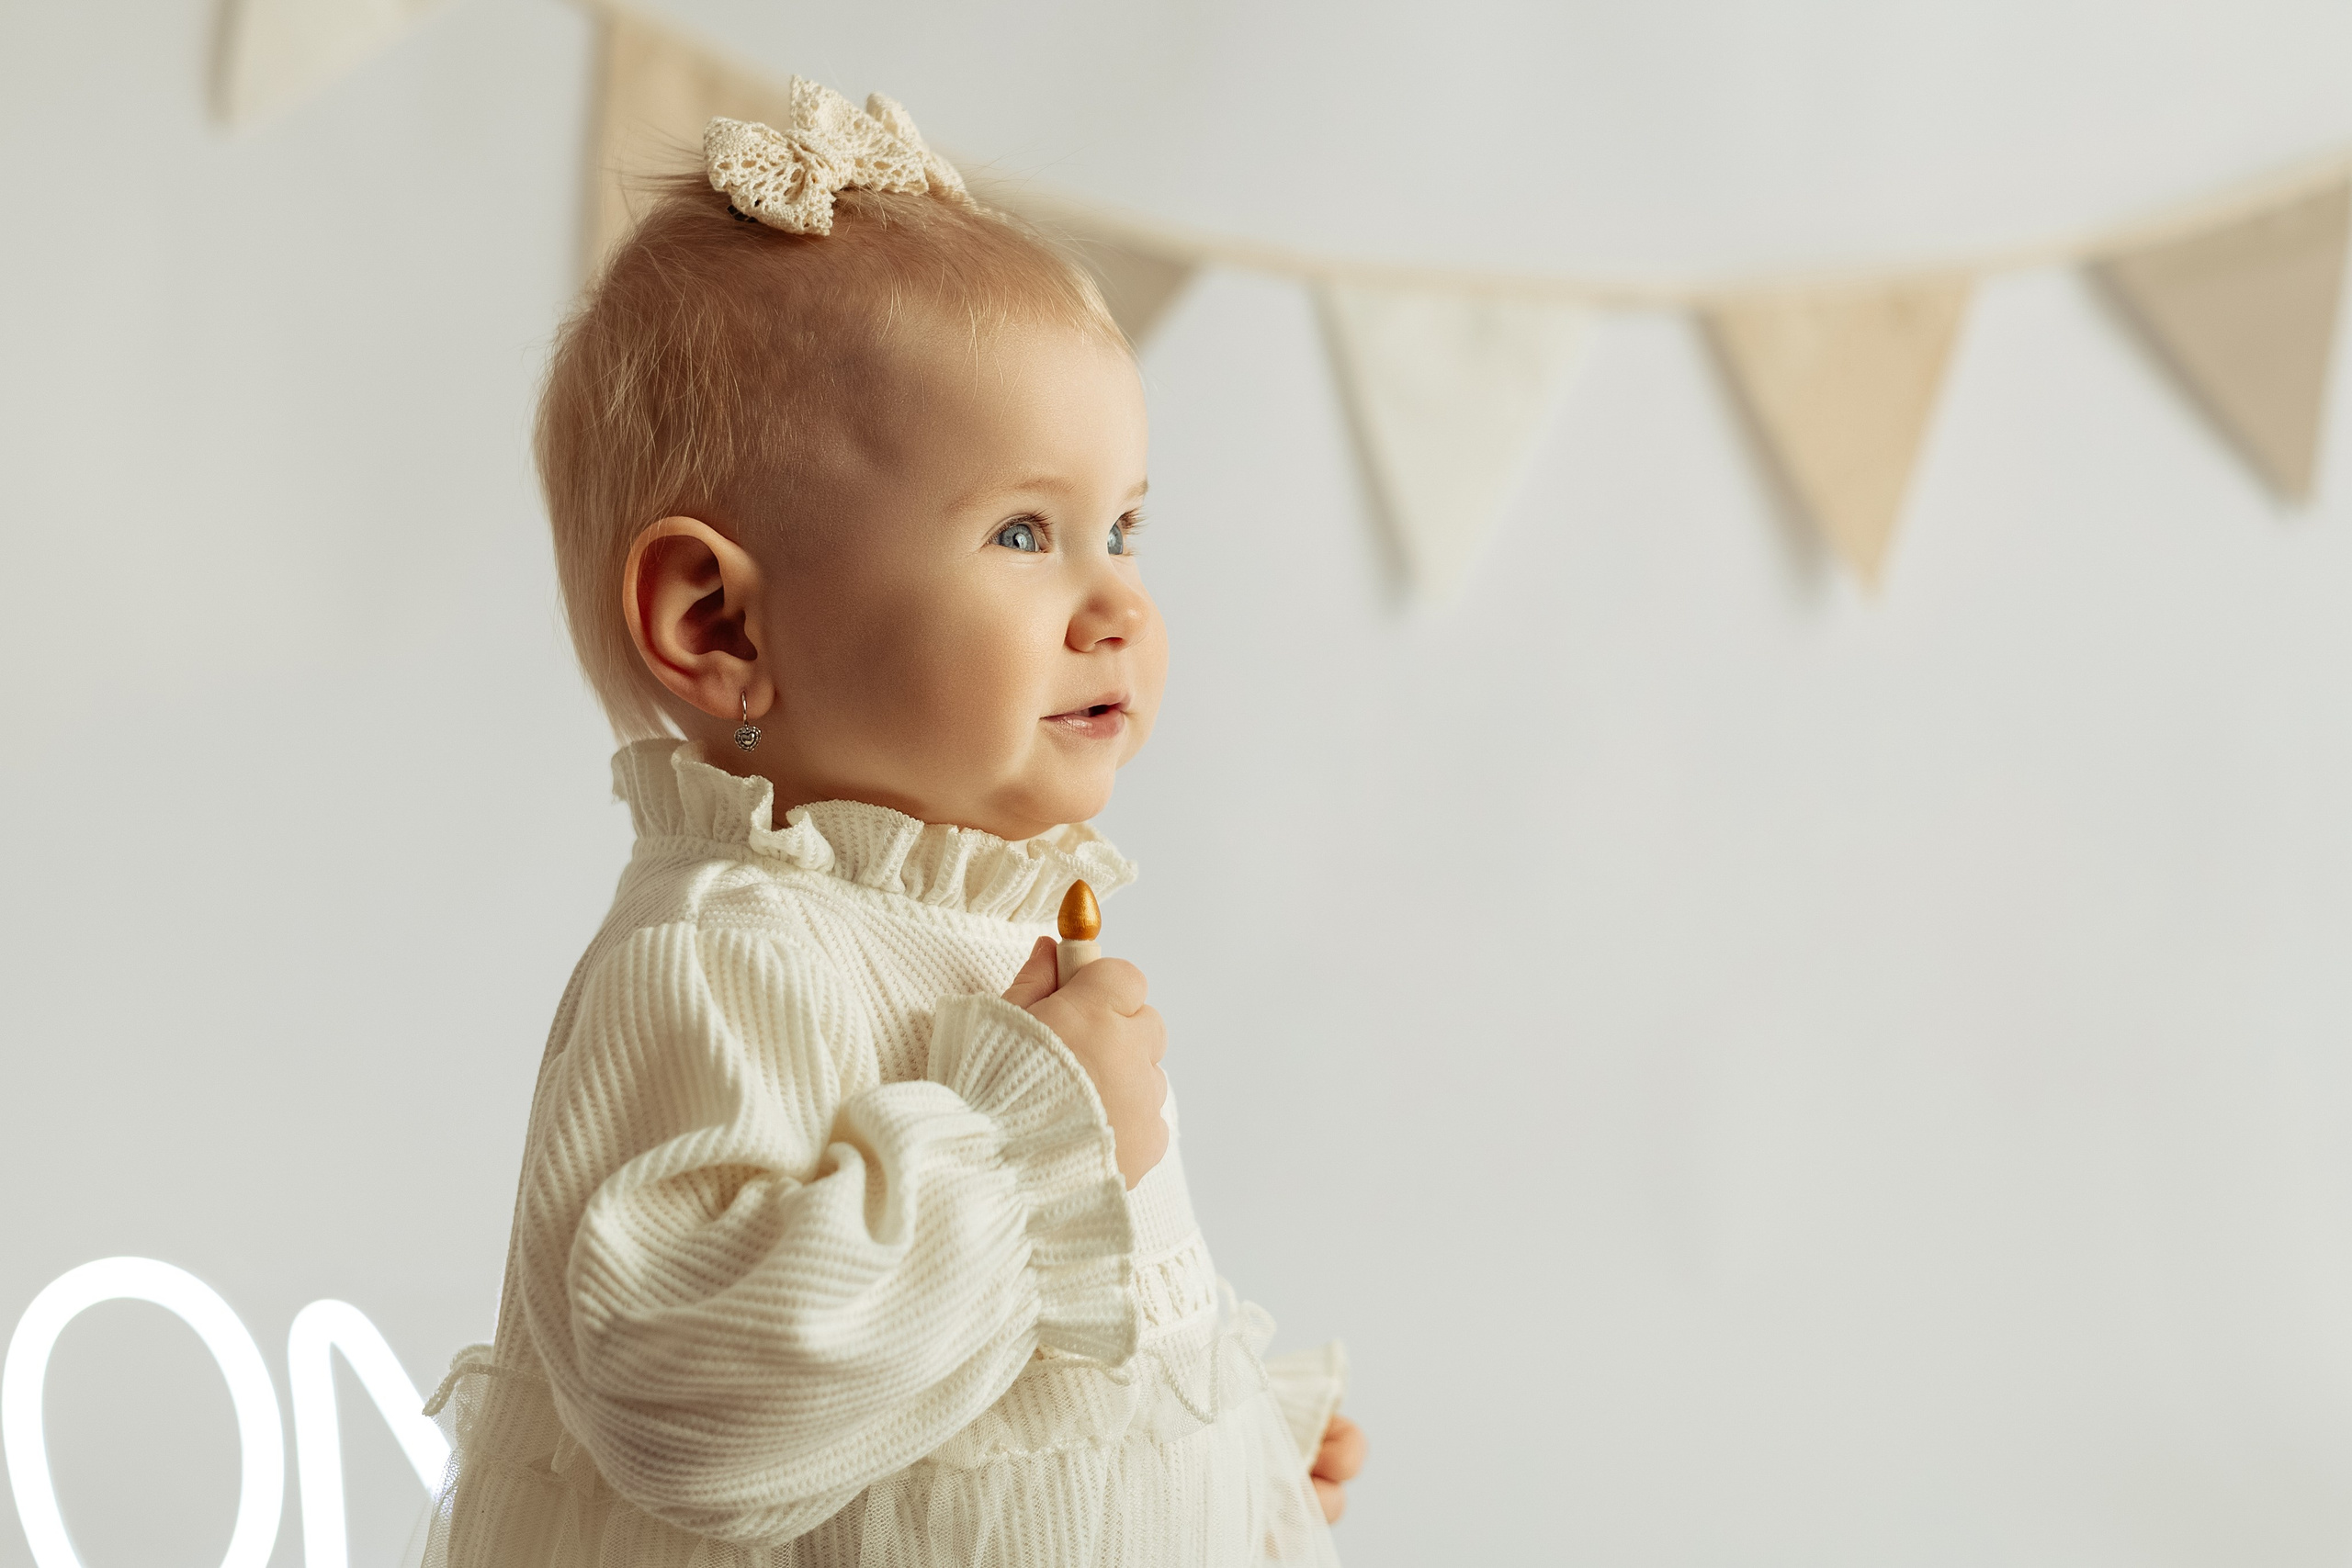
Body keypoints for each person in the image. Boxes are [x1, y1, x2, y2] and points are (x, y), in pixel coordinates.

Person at [420, 79, 1364, 1568]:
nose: (1118, 601)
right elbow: (699, 1403)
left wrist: (1226, 1438)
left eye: (1124, 527)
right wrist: (1028, 1129)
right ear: (717, 621)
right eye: (1022, 534)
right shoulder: (728, 956)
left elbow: (1035, 1365)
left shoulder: (981, 921)